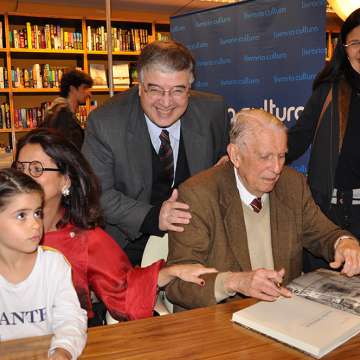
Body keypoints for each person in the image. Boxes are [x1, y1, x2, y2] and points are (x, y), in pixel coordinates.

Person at [13, 128, 216, 325]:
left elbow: (124, 291)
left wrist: (170, 273)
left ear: (65, 181)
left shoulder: (85, 239)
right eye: (20, 168)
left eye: (36, 169)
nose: (23, 177)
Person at [165, 109, 360, 310]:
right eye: (265, 157)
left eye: (282, 156)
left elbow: (324, 233)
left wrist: (344, 243)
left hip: (282, 313)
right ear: (235, 155)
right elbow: (178, 284)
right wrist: (234, 282)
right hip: (222, 316)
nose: (276, 168)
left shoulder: (292, 184)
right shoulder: (198, 195)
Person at [82, 40, 230, 266]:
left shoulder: (213, 111)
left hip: (199, 241)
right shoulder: (105, 122)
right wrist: (154, 217)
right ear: (139, 86)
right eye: (155, 90)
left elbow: (223, 163)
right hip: (130, 244)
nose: (167, 102)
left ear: (190, 88)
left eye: (178, 90)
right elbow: (97, 194)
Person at [286, 8, 360, 271]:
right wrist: (258, 155)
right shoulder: (328, 89)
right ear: (345, 47)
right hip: (330, 211)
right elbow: (299, 136)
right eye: (356, 42)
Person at [0, 168, 86, 360]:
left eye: (37, 213)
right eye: (21, 215)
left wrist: (63, 350)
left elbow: (70, 318)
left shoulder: (53, 264)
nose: (36, 225)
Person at [43, 69, 93, 149]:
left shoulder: (59, 110)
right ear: (72, 89)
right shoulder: (63, 114)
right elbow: (66, 150)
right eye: (84, 88)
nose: (89, 93)